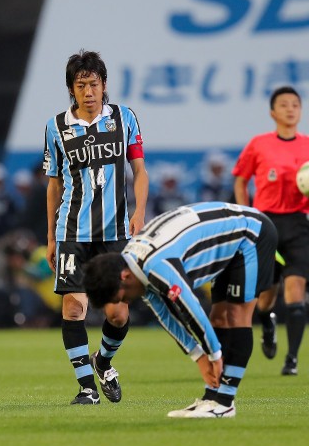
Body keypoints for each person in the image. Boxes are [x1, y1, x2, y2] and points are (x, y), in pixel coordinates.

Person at [83, 202, 277, 418]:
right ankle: (211, 399)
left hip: (251, 234)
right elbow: (166, 315)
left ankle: (225, 403)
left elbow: (190, 309)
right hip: (229, 239)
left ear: (124, 277)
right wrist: (199, 356)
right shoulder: (133, 262)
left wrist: (213, 355)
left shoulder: (157, 265)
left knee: (236, 315)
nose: (125, 301)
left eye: (121, 297)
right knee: (219, 318)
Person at [44, 50, 148, 405]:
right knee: (74, 309)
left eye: (94, 84)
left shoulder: (124, 118)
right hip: (72, 230)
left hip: (116, 231)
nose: (88, 91)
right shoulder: (56, 126)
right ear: (71, 89)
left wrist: (140, 212)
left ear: (105, 86)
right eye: (81, 85)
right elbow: (54, 184)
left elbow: (140, 170)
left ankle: (103, 361)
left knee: (118, 312)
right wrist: (50, 236)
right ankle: (87, 387)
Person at [233, 86, 309, 375]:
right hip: (267, 224)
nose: (291, 109)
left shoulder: (307, 144)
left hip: (299, 224)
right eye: (284, 104)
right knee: (266, 297)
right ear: (273, 112)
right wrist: (247, 213)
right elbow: (240, 180)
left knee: (296, 290)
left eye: (295, 104)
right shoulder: (259, 144)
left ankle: (291, 360)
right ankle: (267, 321)